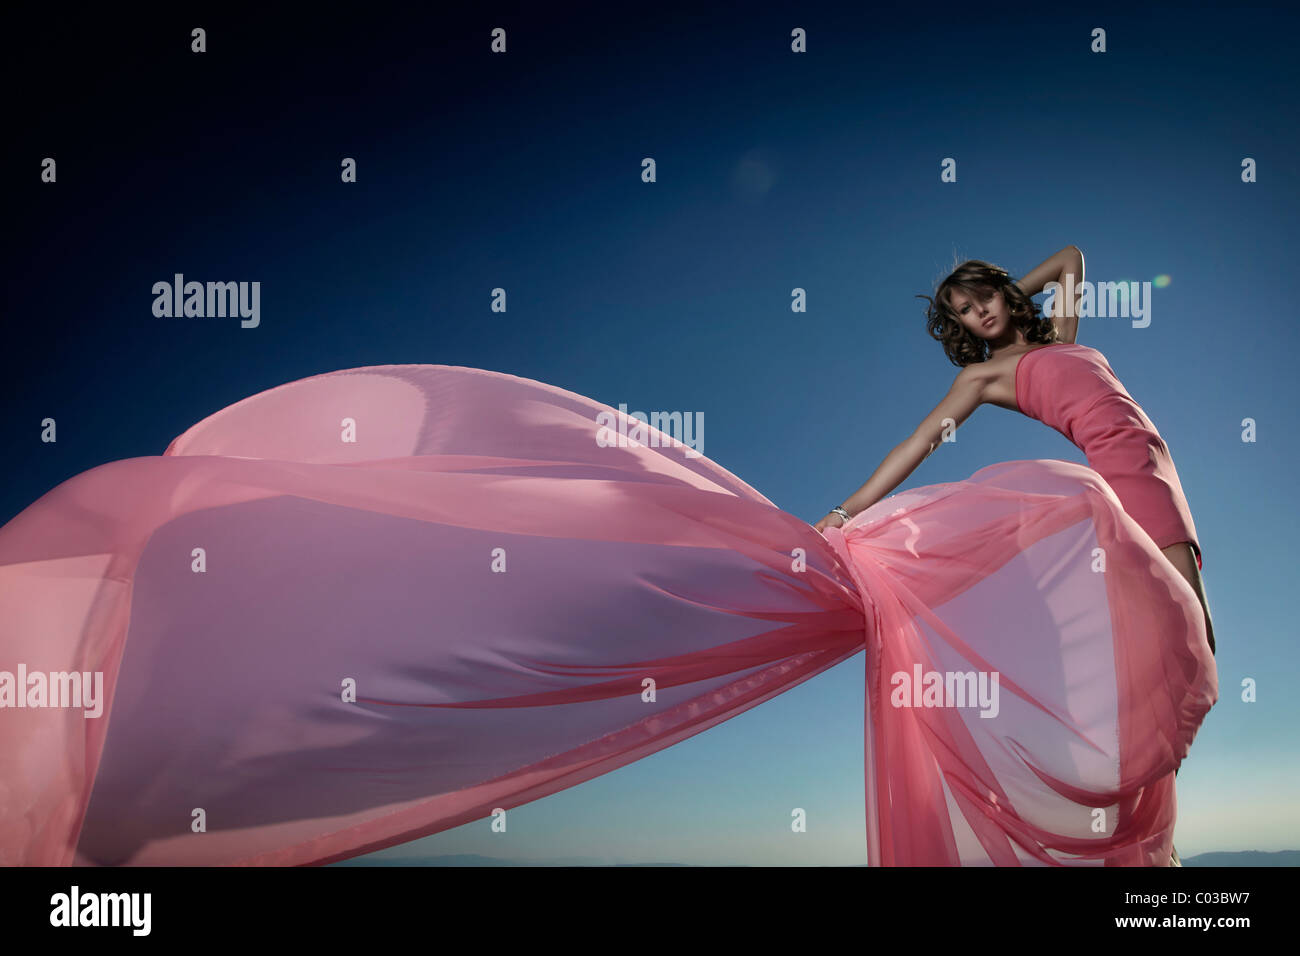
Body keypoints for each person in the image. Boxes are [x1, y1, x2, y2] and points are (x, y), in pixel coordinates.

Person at [814, 245, 1216, 864]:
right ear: (960, 330)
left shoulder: (1060, 335)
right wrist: (845, 511)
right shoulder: (982, 377)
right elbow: (918, 442)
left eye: (984, 299)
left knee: (1201, 640)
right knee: (1183, 649)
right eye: (964, 314)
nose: (979, 314)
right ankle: (1135, 842)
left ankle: (1145, 840)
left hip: (1162, 475)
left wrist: (1007, 296)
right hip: (1123, 479)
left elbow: (1070, 259)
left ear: (1005, 295)